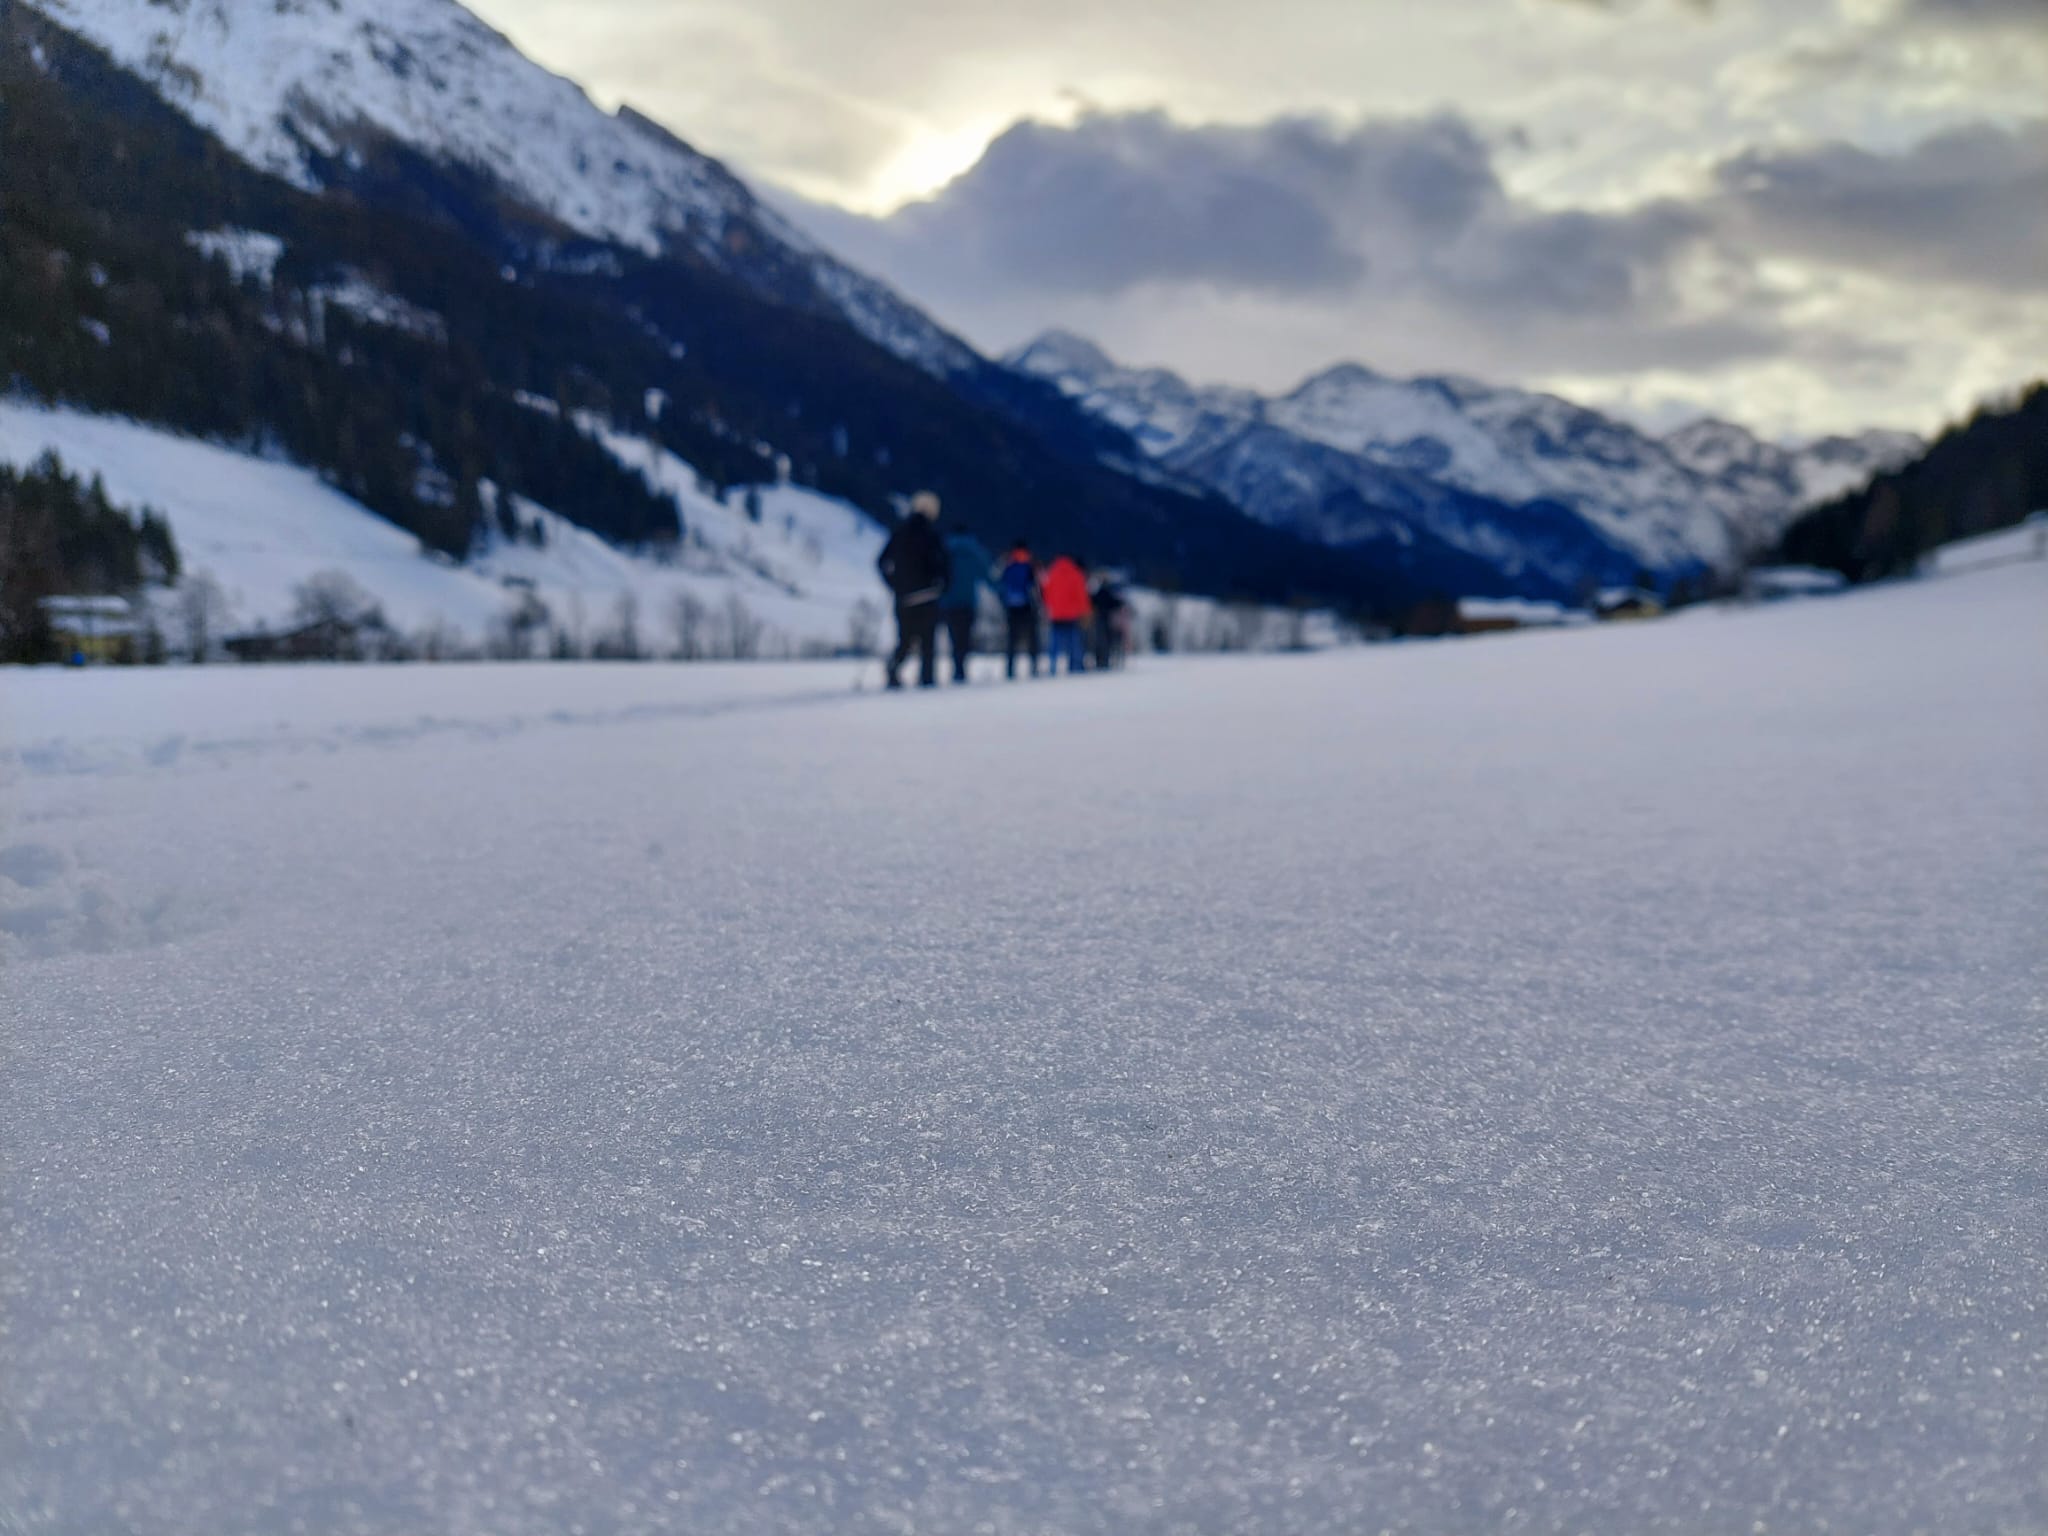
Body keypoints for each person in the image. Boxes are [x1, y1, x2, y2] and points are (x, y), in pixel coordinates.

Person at [876, 491, 949, 689]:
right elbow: (945, 566)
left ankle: (893, 671)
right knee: (927, 643)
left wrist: (894, 585)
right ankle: (927, 680)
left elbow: (881, 562)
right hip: (928, 596)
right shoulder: (932, 535)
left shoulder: (900, 532)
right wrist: (943, 585)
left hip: (904, 597)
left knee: (905, 640)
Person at [938, 524, 994, 684]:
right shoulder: (974, 552)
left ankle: (957, 667)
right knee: (965, 637)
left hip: (948, 602)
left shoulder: (945, 551)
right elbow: (986, 576)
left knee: (953, 637)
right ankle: (960, 668)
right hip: (968, 602)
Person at [1039, 552, 1092, 676]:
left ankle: (1052, 668)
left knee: (1055, 644)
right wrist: (1086, 612)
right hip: (1071, 615)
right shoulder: (1076, 574)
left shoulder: (1052, 573)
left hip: (1056, 615)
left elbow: (1046, 594)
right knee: (1074, 643)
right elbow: (1082, 596)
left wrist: (1050, 608)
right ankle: (1076, 668)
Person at [996, 540, 1041, 679]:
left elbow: (1001, 586)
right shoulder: (1029, 565)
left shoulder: (1008, 565)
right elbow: (1035, 587)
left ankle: (1010, 669)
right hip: (1027, 607)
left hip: (1011, 608)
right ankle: (1033, 667)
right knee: (1032, 638)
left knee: (1012, 640)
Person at [1090, 568, 1130, 671]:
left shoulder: (1098, 593)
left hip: (1099, 620)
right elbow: (1114, 603)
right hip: (1106, 620)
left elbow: (1092, 602)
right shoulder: (1107, 592)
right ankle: (1104, 662)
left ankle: (1100, 662)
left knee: (1100, 642)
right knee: (1106, 642)